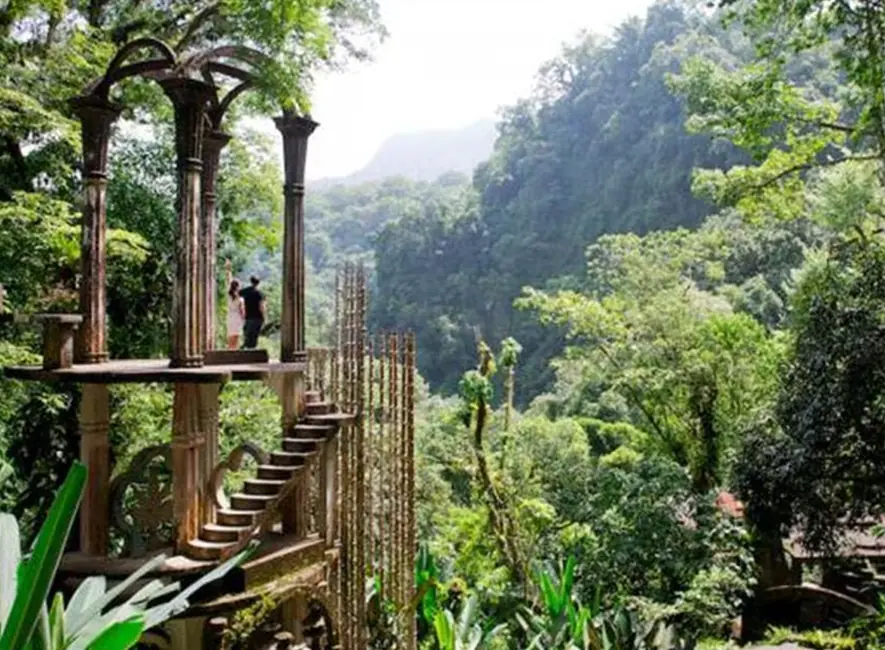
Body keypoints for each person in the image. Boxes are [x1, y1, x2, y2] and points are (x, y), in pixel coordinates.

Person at [239, 275, 265, 349]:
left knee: (247, 334)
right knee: (254, 336)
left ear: (251, 281)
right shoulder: (260, 293)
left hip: (248, 316)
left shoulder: (245, 291)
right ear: (258, 283)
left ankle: (246, 348)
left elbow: (236, 295)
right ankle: (252, 350)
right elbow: (261, 306)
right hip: (258, 317)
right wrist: (264, 317)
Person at [226, 279, 245, 350]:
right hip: (237, 317)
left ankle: (229, 350)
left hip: (230, 316)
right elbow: (241, 311)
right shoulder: (240, 298)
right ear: (238, 287)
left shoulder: (228, 296)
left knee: (230, 335)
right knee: (236, 336)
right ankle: (235, 350)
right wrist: (243, 319)